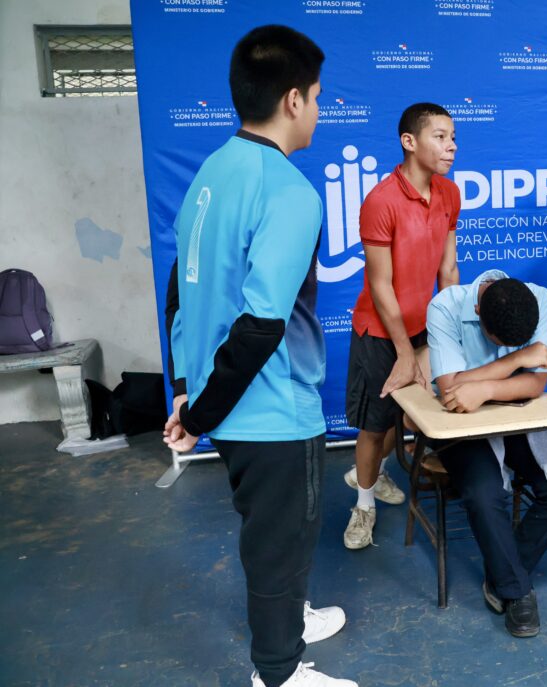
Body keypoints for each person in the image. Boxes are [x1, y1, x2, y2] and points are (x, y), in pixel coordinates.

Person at [162, 25, 356, 687]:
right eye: (318, 97)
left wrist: (188, 392)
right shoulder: (290, 191)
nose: (319, 110)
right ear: (294, 99)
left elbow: (179, 290)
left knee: (276, 532)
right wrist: (200, 414)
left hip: (225, 400)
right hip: (272, 411)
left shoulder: (211, 172)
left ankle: (291, 618)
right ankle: (278, 672)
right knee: (280, 541)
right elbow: (259, 327)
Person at [425, 270, 547, 638]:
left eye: (517, 347)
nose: (510, 350)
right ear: (478, 311)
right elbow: (451, 391)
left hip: (516, 418)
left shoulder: (541, 300)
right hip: (462, 425)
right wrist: (517, 360)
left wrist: (482, 388)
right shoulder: (445, 307)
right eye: (499, 343)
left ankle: (502, 574)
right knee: (484, 494)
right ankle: (516, 591)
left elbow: (535, 383)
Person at [343, 103, 461, 550]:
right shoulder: (381, 200)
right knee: (375, 427)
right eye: (440, 137)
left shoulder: (449, 193)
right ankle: (364, 504)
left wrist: (450, 333)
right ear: (409, 142)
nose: (451, 146)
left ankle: (369, 472)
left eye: (453, 138)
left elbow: (448, 271)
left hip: (423, 327)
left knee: (410, 415)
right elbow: (380, 285)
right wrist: (405, 352)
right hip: (379, 332)